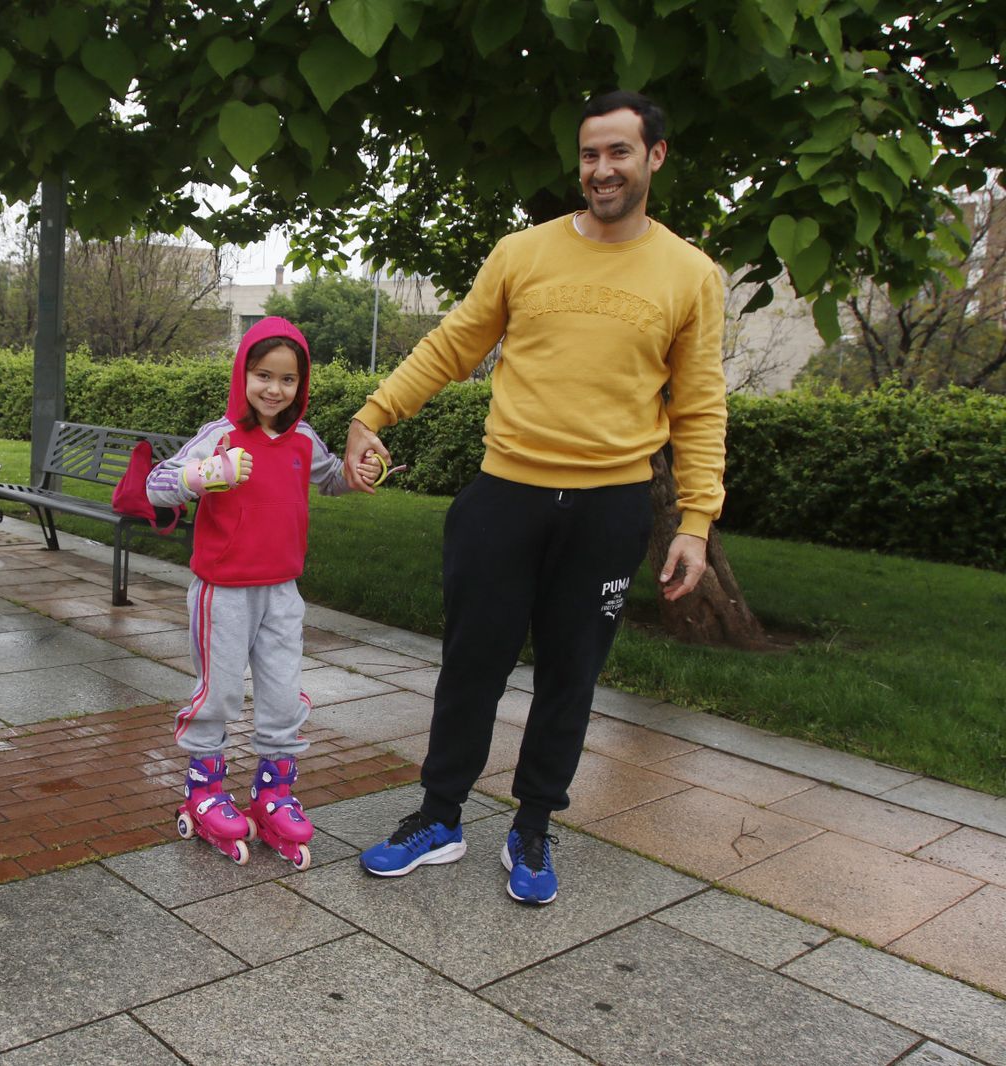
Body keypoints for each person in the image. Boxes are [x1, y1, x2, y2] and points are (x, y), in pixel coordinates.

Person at [347, 89, 728, 904]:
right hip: (504, 495)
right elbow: (454, 344)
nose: (602, 170)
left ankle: (532, 828)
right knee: (470, 664)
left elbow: (699, 404)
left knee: (570, 675)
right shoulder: (523, 253)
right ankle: (439, 816)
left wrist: (696, 520)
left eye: (619, 153)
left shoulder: (691, 275)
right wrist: (373, 414)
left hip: (609, 508)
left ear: (654, 157)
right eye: (591, 154)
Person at [147, 317, 380, 867]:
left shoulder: (302, 439)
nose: (275, 389)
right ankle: (203, 790)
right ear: (243, 374)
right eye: (263, 375)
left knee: (282, 695)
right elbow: (159, 483)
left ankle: (273, 792)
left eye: (289, 379)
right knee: (219, 692)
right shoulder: (220, 436)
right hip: (223, 592)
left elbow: (330, 477)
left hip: (282, 592)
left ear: (301, 384)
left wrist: (358, 471)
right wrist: (206, 474)